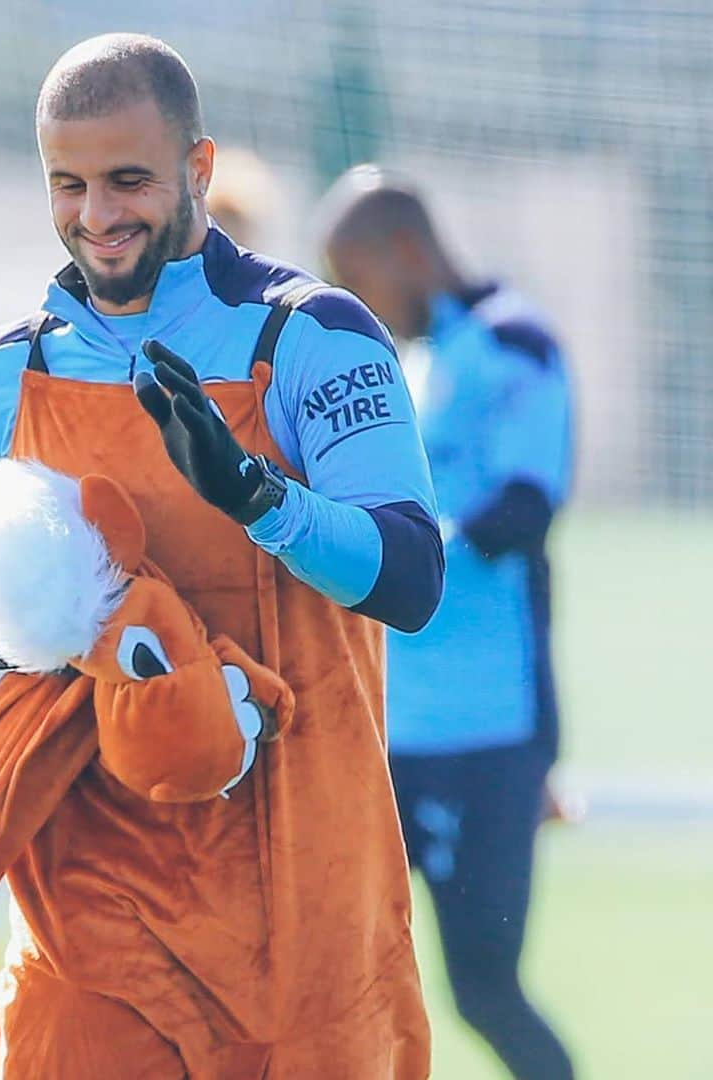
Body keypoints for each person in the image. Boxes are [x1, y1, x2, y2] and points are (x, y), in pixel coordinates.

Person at [0, 36, 443, 1077]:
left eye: (128, 181)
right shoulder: (2, 377)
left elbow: (410, 578)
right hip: (90, 922)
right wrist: (36, 618)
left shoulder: (314, 338)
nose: (96, 215)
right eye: (67, 185)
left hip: (301, 908)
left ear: (197, 170)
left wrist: (256, 497)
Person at [321, 167, 575, 1080]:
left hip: (488, 733)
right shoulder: (416, 361)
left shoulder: (517, 345)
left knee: (484, 991)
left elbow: (524, 512)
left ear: (406, 253)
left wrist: (396, 553)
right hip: (389, 734)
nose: (358, 305)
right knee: (337, 980)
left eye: (358, 278)